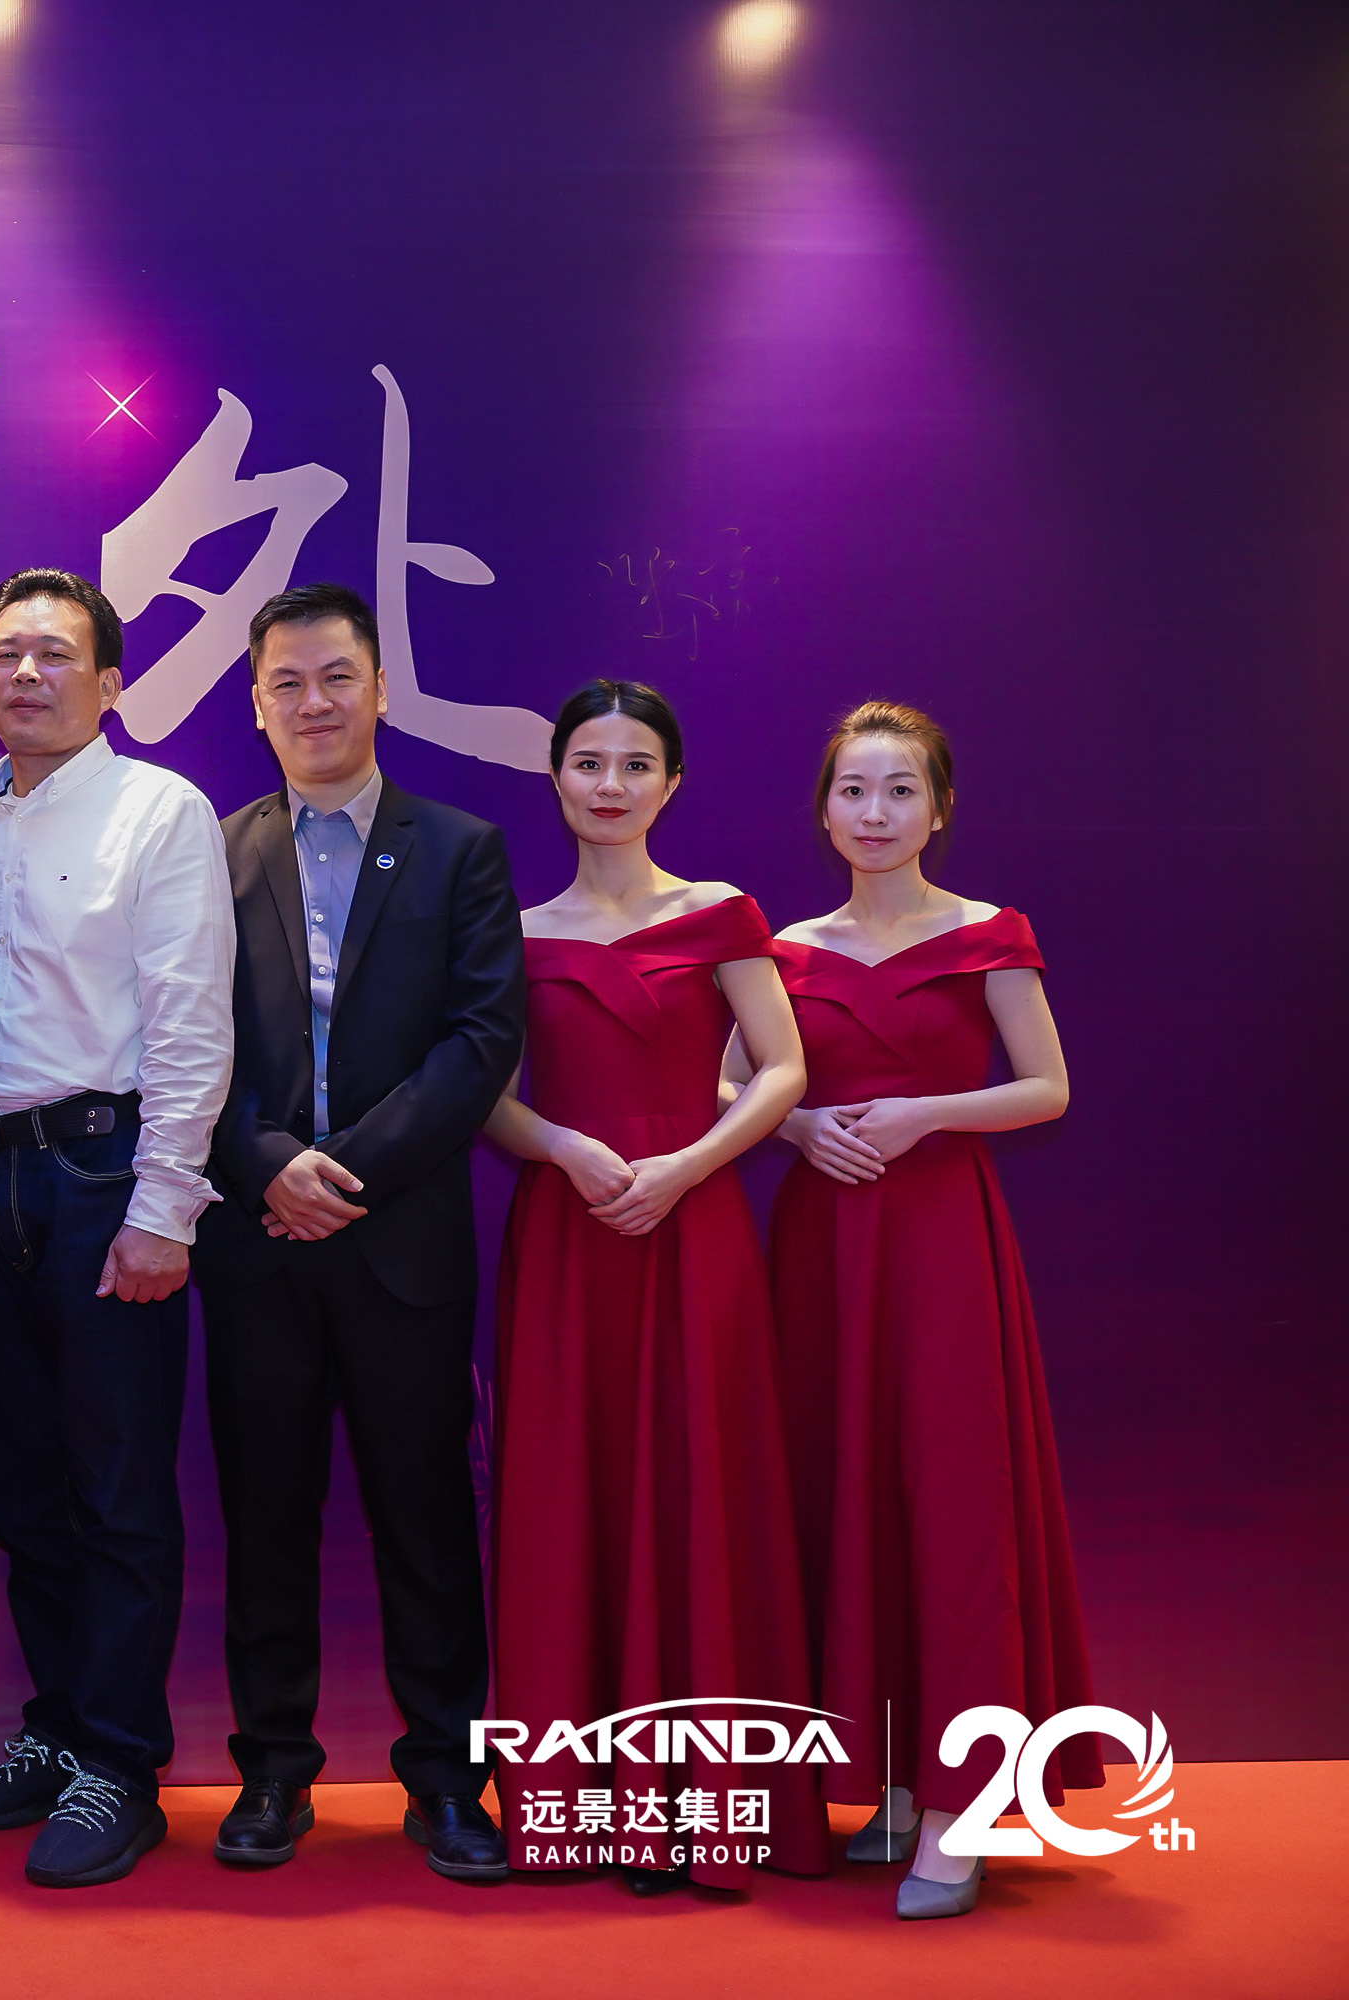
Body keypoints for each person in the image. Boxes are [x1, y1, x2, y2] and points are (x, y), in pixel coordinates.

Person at [196, 585, 525, 1879]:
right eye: (286, 682)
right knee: (265, 1517)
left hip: (402, 1240)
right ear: (256, 704)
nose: (313, 702)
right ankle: (272, 1772)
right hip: (256, 1237)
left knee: (426, 1521)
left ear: (379, 687)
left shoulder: (460, 848)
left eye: (336, 676)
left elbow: (481, 1040)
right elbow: (177, 1036)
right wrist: (265, 1163)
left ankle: (446, 1780)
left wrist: (347, 1170)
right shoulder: (211, 851)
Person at [479, 679, 828, 1893]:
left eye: (635, 764)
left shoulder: (722, 913)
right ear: (555, 778)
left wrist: (686, 1165)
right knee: (566, 1492)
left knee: (704, 1486)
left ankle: (704, 1804)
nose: (609, 784)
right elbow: (483, 1094)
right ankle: (580, 1809)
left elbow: (780, 1068)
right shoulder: (513, 929)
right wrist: (559, 1146)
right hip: (568, 1231)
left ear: (669, 783)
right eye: (588, 762)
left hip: (696, 1223)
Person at [756, 702, 1096, 1922]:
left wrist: (926, 1113)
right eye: (852, 790)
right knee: (841, 1492)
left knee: (953, 1506)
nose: (874, 812)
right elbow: (733, 1078)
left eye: (899, 790)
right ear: (823, 810)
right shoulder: (783, 948)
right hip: (821, 1244)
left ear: (938, 809)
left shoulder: (989, 933)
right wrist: (796, 1125)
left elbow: (1044, 1088)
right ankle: (892, 1778)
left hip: (943, 1241)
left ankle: (962, 1801)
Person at [0, 569, 233, 1889]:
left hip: (103, 1176)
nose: (25, 675)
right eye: (7, 653)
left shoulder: (158, 810)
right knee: (24, 1488)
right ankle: (55, 1731)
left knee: (115, 1493)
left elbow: (190, 1017)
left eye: (55, 654)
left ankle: (120, 1762)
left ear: (108, 683)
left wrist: (164, 1207)